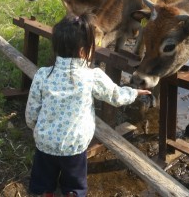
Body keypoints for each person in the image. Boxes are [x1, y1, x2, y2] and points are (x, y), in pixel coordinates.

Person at [25, 14, 151, 197]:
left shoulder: (43, 75)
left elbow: (32, 110)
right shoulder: (92, 76)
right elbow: (115, 96)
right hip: (75, 146)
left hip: (45, 142)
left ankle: (46, 193)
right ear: (84, 52)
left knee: (43, 182)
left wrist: (34, 127)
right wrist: (133, 92)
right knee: (73, 185)